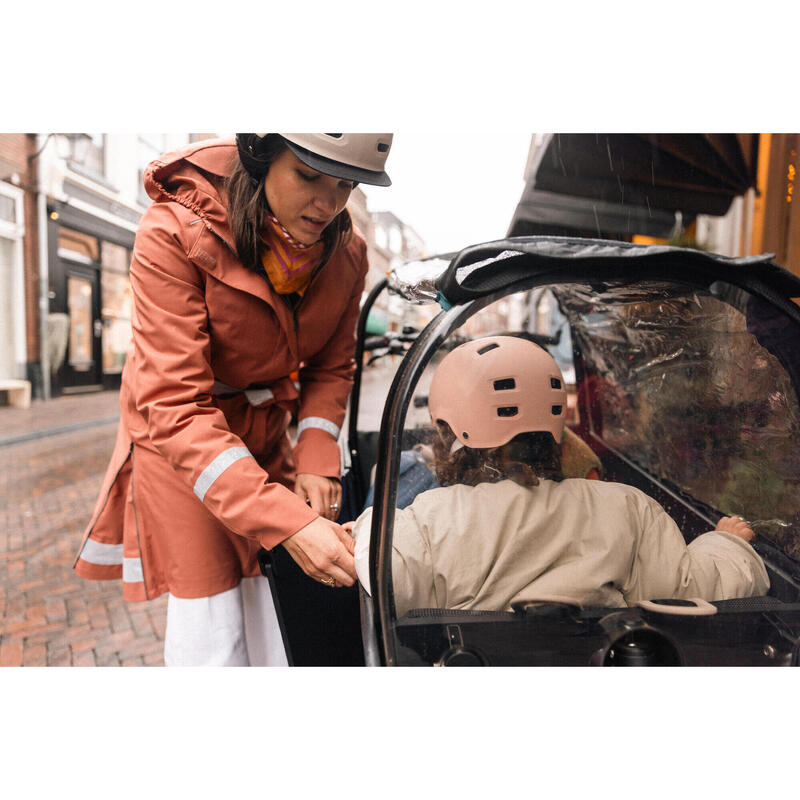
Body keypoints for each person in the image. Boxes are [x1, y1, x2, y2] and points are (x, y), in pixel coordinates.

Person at [74, 133, 392, 665]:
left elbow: (332, 367)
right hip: (182, 444)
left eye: (345, 185)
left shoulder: (348, 254)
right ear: (259, 155)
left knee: (276, 607)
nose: (328, 205)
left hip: (265, 428)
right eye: (308, 176)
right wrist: (288, 521)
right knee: (212, 615)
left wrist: (317, 460)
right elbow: (174, 406)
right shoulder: (173, 231)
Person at [346, 335, 769, 618]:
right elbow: (691, 587)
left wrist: (365, 526)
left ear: (445, 431)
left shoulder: (427, 522)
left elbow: (387, 577)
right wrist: (727, 544)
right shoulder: (626, 507)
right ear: (557, 428)